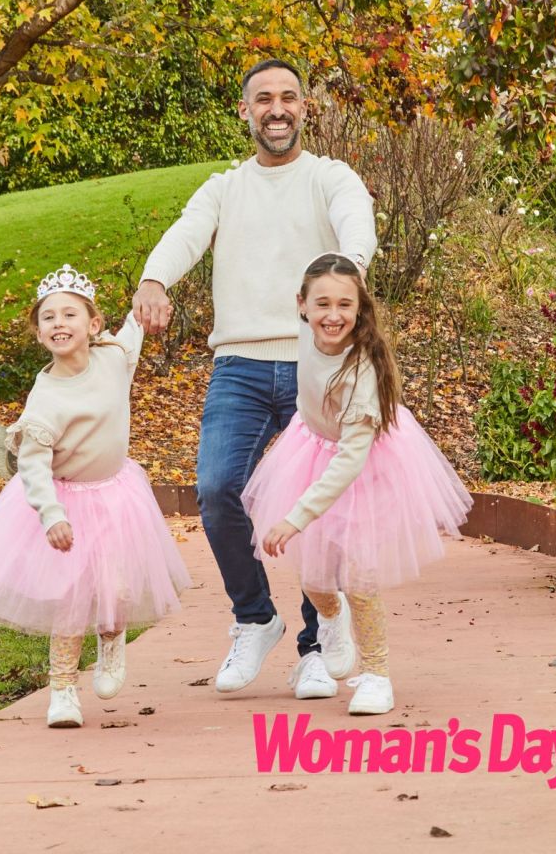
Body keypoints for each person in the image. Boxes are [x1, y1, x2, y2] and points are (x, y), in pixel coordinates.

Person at [133, 58, 377, 699]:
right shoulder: (224, 188)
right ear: (245, 111)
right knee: (217, 490)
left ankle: (318, 644)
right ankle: (255, 617)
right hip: (239, 364)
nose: (277, 109)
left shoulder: (330, 177)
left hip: (315, 365)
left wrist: (342, 276)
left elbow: (358, 225)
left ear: (305, 107)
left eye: (289, 98)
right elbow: (186, 235)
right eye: (263, 99)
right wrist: (155, 277)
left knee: (314, 510)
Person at [0, 264, 191, 728]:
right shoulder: (46, 396)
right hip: (66, 501)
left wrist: (156, 283)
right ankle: (62, 689)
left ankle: (112, 639)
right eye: (49, 318)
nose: (59, 323)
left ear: (93, 324)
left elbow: (138, 321)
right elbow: (34, 466)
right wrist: (51, 513)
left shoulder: (115, 356)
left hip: (116, 494)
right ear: (39, 334)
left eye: (70, 315)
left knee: (116, 590)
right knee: (71, 598)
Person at [242, 253, 473, 713]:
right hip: (309, 449)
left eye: (345, 305)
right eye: (322, 303)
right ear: (301, 305)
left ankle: (376, 676)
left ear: (360, 307)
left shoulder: (361, 368)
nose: (333, 315)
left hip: (368, 467)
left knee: (361, 578)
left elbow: (351, 458)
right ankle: (330, 618)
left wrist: (296, 515)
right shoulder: (305, 336)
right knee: (311, 570)